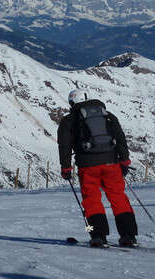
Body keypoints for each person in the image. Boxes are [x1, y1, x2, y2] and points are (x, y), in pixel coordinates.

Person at [57, 89, 138, 247]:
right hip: (111, 164)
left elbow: (64, 146)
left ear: (72, 102)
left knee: (91, 201)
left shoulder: (69, 121)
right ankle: (128, 235)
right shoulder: (108, 116)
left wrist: (65, 167)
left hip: (87, 167)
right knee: (119, 198)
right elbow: (120, 139)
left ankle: (97, 236)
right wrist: (124, 161)